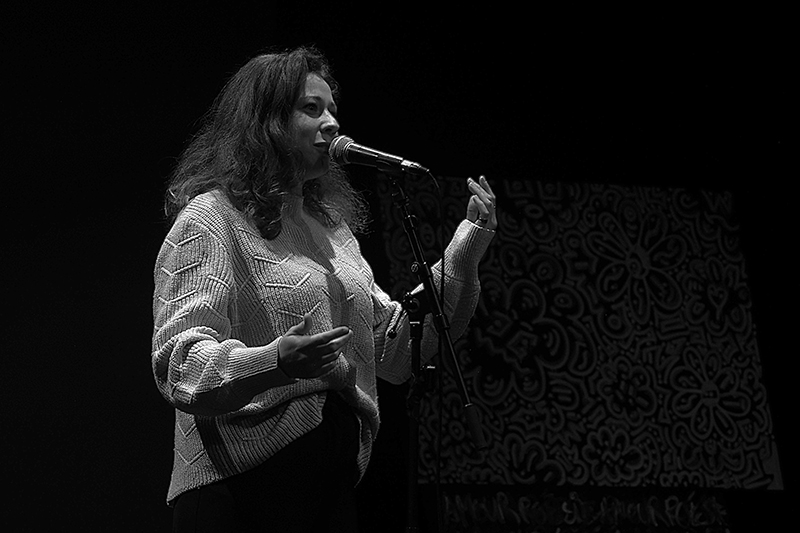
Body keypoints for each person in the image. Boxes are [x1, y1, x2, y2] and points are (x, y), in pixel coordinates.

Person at [151, 45, 498, 532]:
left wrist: (467, 245)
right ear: (268, 122)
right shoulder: (212, 219)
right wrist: (275, 361)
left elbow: (395, 351)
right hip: (239, 488)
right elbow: (180, 363)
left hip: (330, 485)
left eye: (333, 109)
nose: (332, 123)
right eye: (311, 109)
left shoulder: (333, 230)